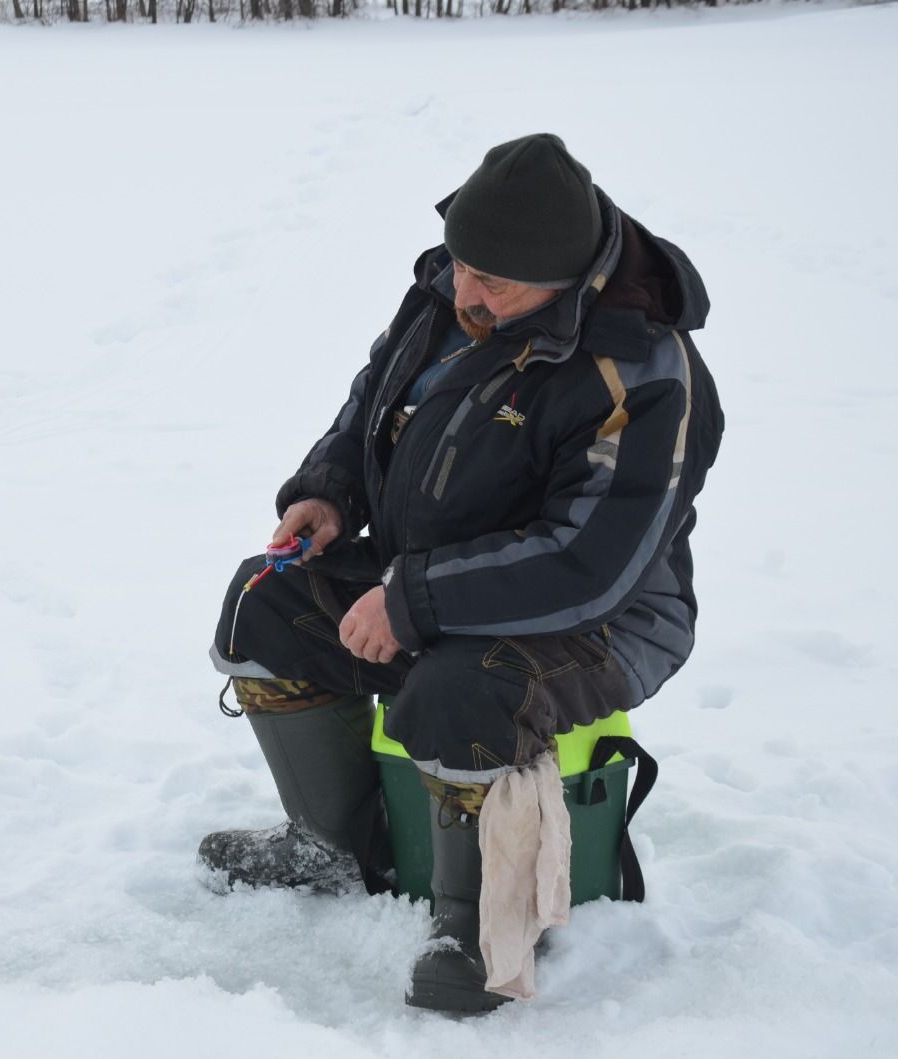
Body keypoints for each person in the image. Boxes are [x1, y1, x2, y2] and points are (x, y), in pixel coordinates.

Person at [200, 133, 724, 1015]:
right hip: (435, 567)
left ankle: (483, 925)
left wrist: (413, 602)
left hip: (604, 613)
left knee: (462, 690)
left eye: (494, 283)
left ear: (563, 275)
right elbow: (378, 395)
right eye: (461, 266)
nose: (465, 293)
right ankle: (330, 845)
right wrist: (328, 490)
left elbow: (587, 560)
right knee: (264, 603)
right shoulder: (457, 283)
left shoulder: (639, 371)